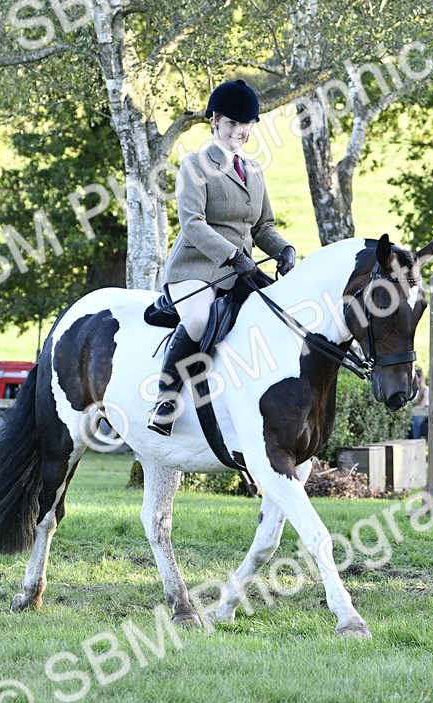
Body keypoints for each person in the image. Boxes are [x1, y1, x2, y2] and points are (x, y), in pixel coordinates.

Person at [147, 79, 297, 436]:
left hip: (241, 272)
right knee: (199, 320)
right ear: (214, 120)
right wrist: (231, 255)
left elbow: (263, 226)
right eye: (232, 123)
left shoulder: (254, 170)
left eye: (246, 124)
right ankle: (166, 400)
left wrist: (284, 249)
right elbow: (193, 223)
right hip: (195, 267)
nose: (239, 131)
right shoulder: (195, 165)